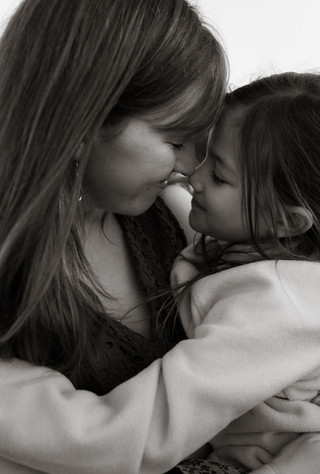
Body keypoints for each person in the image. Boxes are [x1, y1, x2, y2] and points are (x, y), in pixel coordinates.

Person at [0, 0, 318, 471]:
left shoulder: (187, 224)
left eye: (205, 148)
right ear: (83, 122)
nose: (190, 171)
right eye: (175, 140)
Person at [170, 72, 320, 473]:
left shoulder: (275, 304)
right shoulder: (262, 249)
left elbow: (167, 412)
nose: (192, 176)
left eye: (219, 175)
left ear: (288, 222)